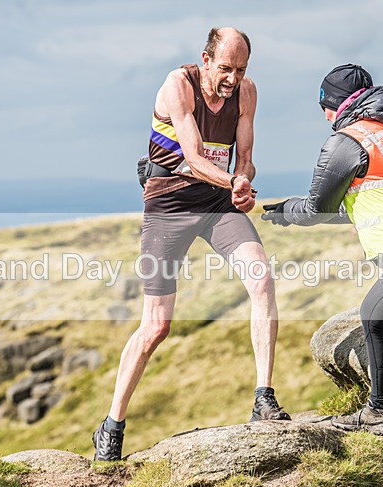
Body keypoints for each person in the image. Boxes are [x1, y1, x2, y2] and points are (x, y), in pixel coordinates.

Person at [92, 27, 291, 461]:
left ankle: (264, 397)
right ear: (205, 59)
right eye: (225, 68)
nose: (233, 78)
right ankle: (112, 425)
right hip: (169, 204)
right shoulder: (178, 85)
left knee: (262, 280)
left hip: (218, 202)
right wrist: (234, 181)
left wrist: (243, 182)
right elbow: (195, 158)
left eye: (241, 69)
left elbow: (246, 159)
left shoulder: (247, 92)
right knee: (156, 326)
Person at [261, 65, 383, 479]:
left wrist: (287, 211)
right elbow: (368, 202)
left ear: (338, 104)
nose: (324, 115)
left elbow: (318, 208)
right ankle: (377, 412)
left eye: (325, 105)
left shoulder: (347, 141)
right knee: (373, 316)